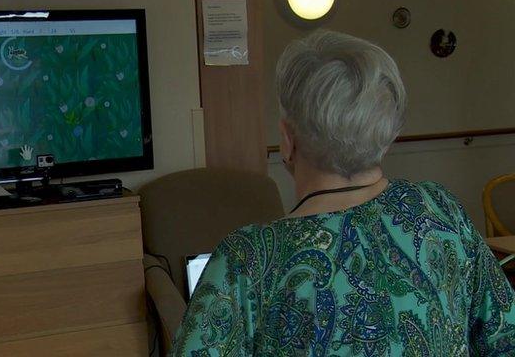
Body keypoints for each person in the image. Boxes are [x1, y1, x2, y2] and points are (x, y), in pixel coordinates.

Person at [170, 30, 515, 356]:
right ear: (385, 133)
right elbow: (505, 336)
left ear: (288, 141)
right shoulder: (440, 209)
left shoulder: (247, 260)